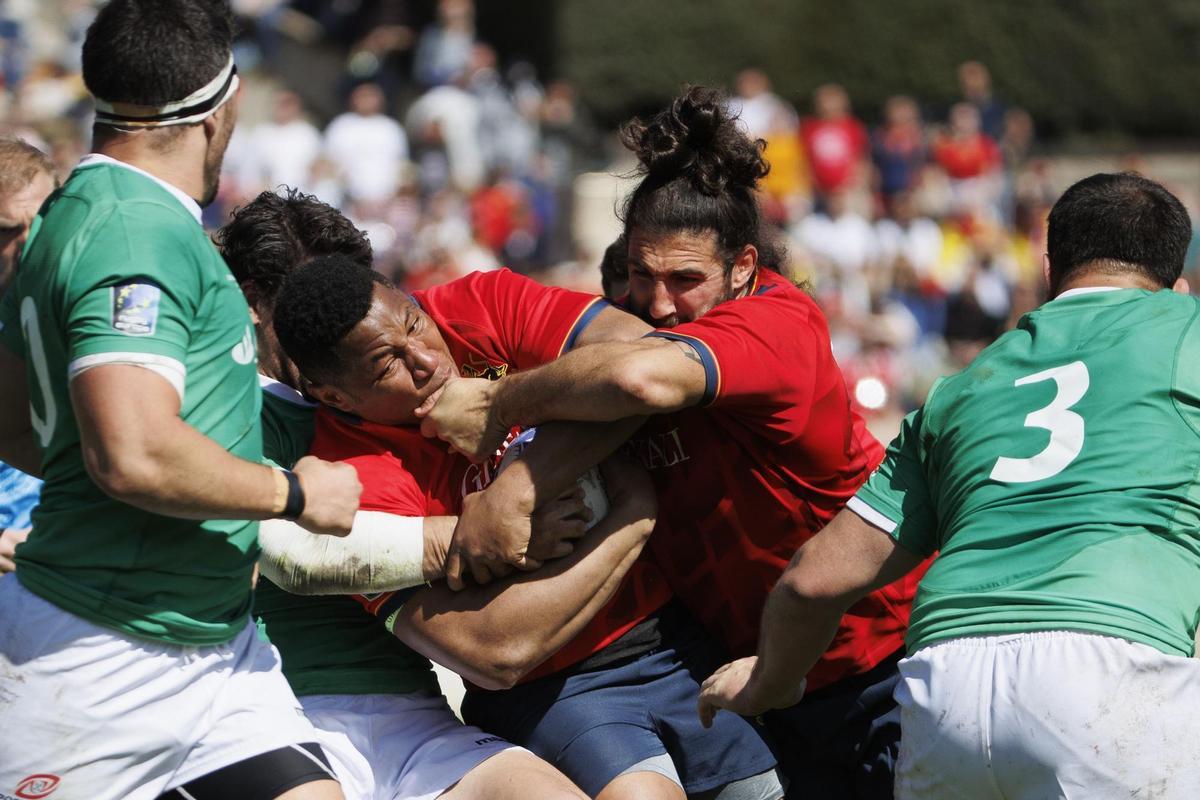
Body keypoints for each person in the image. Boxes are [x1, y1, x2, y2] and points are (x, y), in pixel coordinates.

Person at [419, 86, 925, 798]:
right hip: (760, 676)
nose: (658, 304)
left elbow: (637, 380)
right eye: (639, 275)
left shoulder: (776, 325)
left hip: (879, 660)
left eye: (686, 280)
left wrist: (503, 405)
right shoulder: (632, 328)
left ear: (744, 266)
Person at [698, 172, 1200, 799]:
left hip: (947, 682)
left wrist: (771, 681)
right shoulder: (1186, 329)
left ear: (1048, 270)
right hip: (1111, 665)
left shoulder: (961, 388)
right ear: (1177, 285)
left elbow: (813, 581)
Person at [0, 3, 362, 799]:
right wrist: (294, 492)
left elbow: (18, 425)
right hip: (99, 655)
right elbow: (131, 453)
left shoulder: (67, 215)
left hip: (217, 647)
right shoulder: (137, 235)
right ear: (224, 104)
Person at [270, 254, 785, 800]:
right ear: (334, 398)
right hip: (552, 690)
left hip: (674, 640)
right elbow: (494, 654)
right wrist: (631, 519)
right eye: (386, 365)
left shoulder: (480, 309)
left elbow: (653, 364)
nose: (426, 358)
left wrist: (509, 473)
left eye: (414, 322)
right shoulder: (354, 482)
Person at [217, 188, 607, 800]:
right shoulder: (224, 401)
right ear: (252, 306)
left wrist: (520, 458)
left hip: (414, 709)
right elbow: (291, 553)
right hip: (277, 706)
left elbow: (638, 360)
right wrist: (481, 532)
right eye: (313, 310)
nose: (341, 325)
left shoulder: (413, 369)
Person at [0, 136, 57, 573]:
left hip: (67, 568)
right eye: (5, 230)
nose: (26, 244)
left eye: (39, 224)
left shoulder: (75, 310)